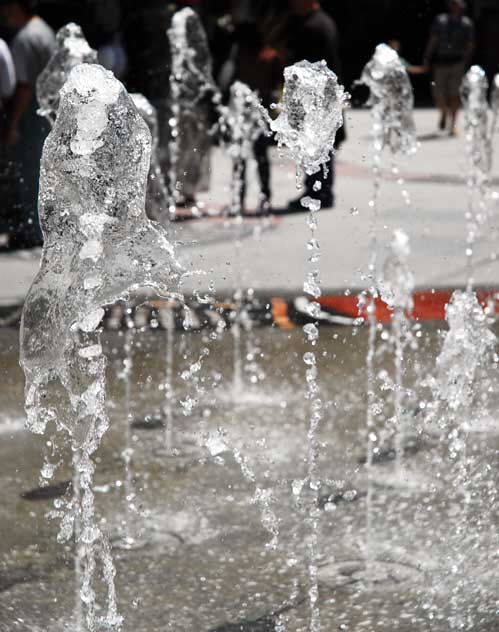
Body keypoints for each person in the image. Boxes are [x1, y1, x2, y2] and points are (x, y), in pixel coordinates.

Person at [1, 0, 55, 248]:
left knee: (30, 171)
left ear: (16, 8)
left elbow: (23, 87)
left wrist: (13, 124)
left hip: (31, 111)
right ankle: (42, 227)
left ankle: (34, 230)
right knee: (43, 171)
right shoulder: (44, 29)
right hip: (48, 108)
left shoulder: (24, 38)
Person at [286, 0, 344, 211]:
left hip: (316, 96)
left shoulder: (314, 27)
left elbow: (310, 66)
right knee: (319, 145)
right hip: (324, 95)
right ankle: (319, 191)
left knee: (317, 145)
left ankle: (319, 193)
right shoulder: (323, 22)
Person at [222, 20, 283, 214]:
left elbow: (229, 82)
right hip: (261, 113)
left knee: (240, 158)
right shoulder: (271, 56)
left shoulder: (240, 55)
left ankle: (238, 200)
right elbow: (277, 86)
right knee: (261, 158)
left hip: (242, 112)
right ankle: (265, 198)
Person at [423, 0, 475, 136]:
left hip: (457, 62)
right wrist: (427, 57)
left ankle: (453, 125)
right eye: (453, 3)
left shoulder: (466, 23)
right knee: (437, 92)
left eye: (457, 4)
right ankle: (444, 112)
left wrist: (466, 60)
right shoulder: (440, 20)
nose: (455, 6)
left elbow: (470, 44)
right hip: (441, 61)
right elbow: (433, 40)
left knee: (454, 94)